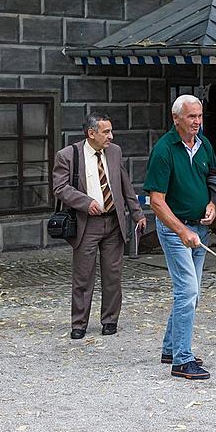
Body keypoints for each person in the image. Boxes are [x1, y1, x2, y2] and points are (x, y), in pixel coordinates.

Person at [144, 95, 216, 380]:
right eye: (191, 117)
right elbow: (157, 202)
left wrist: (212, 204)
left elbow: (213, 179)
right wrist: (182, 230)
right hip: (175, 230)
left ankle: (170, 348)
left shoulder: (204, 144)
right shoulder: (164, 150)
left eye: (199, 116)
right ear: (176, 118)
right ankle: (182, 361)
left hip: (200, 228)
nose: (197, 122)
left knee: (193, 293)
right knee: (187, 292)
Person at [53, 113, 146, 340]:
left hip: (114, 221)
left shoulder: (114, 152)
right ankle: (79, 323)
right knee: (83, 276)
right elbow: (60, 188)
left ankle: (110, 320)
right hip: (87, 223)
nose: (111, 137)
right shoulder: (68, 155)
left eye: (111, 131)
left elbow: (125, 185)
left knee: (113, 275)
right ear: (91, 133)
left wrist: (137, 213)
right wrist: (86, 203)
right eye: (106, 132)